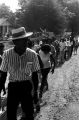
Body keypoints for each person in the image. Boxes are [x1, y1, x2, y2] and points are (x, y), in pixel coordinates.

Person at [0, 27, 40, 120]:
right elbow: (3, 73)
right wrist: (1, 87)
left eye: (26, 39)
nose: (27, 42)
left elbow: (35, 75)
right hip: (13, 86)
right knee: (11, 114)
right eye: (24, 40)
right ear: (15, 42)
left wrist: (35, 93)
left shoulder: (32, 54)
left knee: (29, 113)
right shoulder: (7, 54)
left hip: (26, 86)